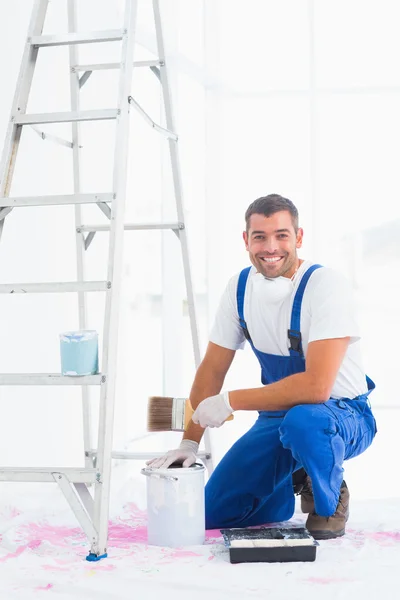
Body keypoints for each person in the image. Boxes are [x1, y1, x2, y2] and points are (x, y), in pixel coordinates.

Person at [147, 193, 377, 540]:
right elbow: (211, 369)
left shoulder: (326, 287)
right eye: (260, 237)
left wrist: (230, 402)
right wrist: (189, 444)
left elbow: (316, 388)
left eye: (282, 235)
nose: (271, 247)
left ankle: (328, 494)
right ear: (246, 240)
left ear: (298, 238)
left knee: (305, 422)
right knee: (211, 514)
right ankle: (291, 477)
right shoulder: (240, 289)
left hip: (341, 415)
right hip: (277, 417)